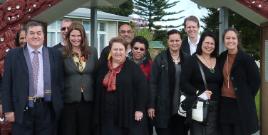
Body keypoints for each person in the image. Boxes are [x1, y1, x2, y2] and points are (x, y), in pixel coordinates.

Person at [1, 21, 64, 135]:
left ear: (44, 36)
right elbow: (6, 85)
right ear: (26, 36)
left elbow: (60, 82)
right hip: (21, 109)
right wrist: (8, 110)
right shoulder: (13, 55)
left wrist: (59, 105)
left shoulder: (54, 54)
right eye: (32, 33)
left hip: (47, 109)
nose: (36, 36)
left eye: (39, 33)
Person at [94, 37, 148, 135]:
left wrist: (139, 109)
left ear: (126, 51)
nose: (118, 52)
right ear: (110, 50)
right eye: (115, 49)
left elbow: (142, 89)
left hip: (125, 112)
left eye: (121, 49)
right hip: (106, 113)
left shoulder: (133, 68)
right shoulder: (102, 67)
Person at [218, 28, 260, 135]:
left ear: (237, 40)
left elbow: (256, 81)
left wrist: (246, 96)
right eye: (227, 38)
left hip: (240, 105)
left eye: (233, 38)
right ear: (224, 40)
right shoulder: (221, 57)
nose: (230, 41)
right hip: (224, 104)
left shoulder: (247, 59)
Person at [59, 21, 97, 135]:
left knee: (86, 131)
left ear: (83, 36)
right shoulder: (61, 53)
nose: (76, 38)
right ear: (68, 36)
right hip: (68, 101)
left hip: (88, 101)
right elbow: (58, 78)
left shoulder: (92, 51)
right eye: (73, 35)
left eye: (79, 35)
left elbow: (96, 74)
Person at [149, 29, 189, 135]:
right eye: (172, 41)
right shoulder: (160, 59)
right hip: (163, 108)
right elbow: (153, 83)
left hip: (182, 109)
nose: (174, 43)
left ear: (181, 41)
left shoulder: (188, 59)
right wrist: (151, 105)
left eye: (177, 40)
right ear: (168, 41)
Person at [180, 31, 221, 135]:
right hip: (200, 106)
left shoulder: (219, 60)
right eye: (206, 43)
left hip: (218, 107)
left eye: (212, 43)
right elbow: (183, 83)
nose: (209, 46)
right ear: (201, 43)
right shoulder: (192, 60)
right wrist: (199, 92)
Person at [129, 36, 153, 135]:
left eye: (142, 49)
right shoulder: (124, 63)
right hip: (128, 104)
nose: (138, 51)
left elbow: (152, 87)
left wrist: (151, 105)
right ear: (131, 48)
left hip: (144, 106)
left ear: (145, 51)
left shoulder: (151, 65)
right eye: (136, 48)